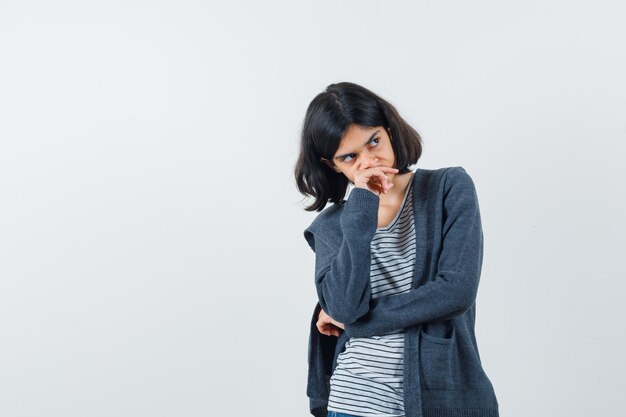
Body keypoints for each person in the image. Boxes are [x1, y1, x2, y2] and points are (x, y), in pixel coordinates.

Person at [293, 82, 500, 417]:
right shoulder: (331, 225)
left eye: (374, 141)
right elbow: (345, 307)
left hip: (440, 398)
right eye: (350, 156)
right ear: (332, 165)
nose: (369, 160)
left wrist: (360, 323)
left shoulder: (448, 188)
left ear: (389, 131)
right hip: (355, 400)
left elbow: (456, 291)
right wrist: (362, 207)